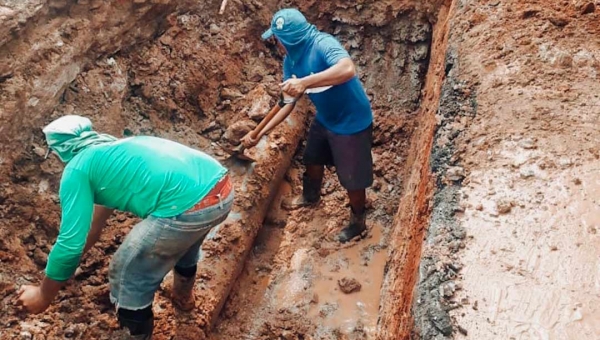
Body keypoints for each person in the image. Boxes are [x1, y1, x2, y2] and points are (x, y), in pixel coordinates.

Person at [16, 115, 234, 339]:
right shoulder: (112, 149)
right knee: (184, 245)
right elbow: (94, 224)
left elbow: (69, 243)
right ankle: (183, 297)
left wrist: (43, 294)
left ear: (58, 150)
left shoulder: (77, 170)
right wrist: (67, 268)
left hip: (188, 208)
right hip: (220, 190)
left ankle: (136, 335)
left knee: (127, 274)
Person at [242, 8, 374, 243]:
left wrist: (304, 82)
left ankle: (358, 221)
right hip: (326, 118)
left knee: (352, 180)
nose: (275, 42)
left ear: (288, 39)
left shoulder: (322, 44)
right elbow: (285, 103)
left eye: (277, 38)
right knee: (312, 158)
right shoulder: (290, 61)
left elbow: (347, 69)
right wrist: (256, 133)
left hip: (352, 122)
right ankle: (311, 195)